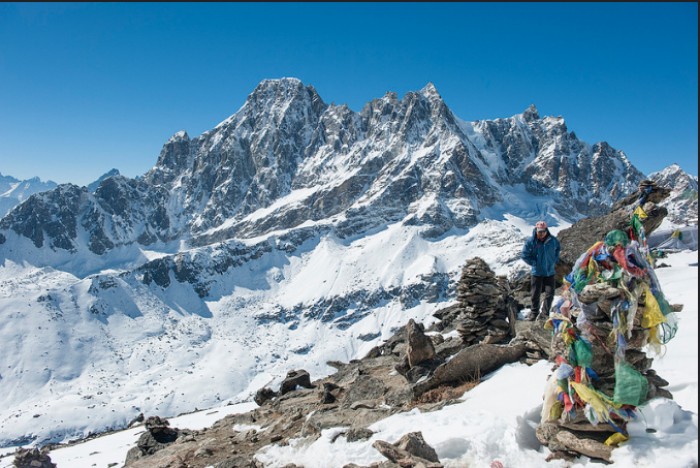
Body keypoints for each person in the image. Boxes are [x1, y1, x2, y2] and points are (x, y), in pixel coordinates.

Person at [521, 220, 561, 320]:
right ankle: (534, 312)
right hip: (537, 272)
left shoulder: (552, 240)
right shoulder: (531, 241)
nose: (541, 233)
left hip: (549, 272)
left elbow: (557, 249)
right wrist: (534, 263)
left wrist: (554, 261)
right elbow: (525, 254)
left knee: (550, 293)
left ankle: (545, 313)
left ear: (546, 230)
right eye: (539, 231)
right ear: (536, 230)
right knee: (535, 293)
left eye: (543, 231)